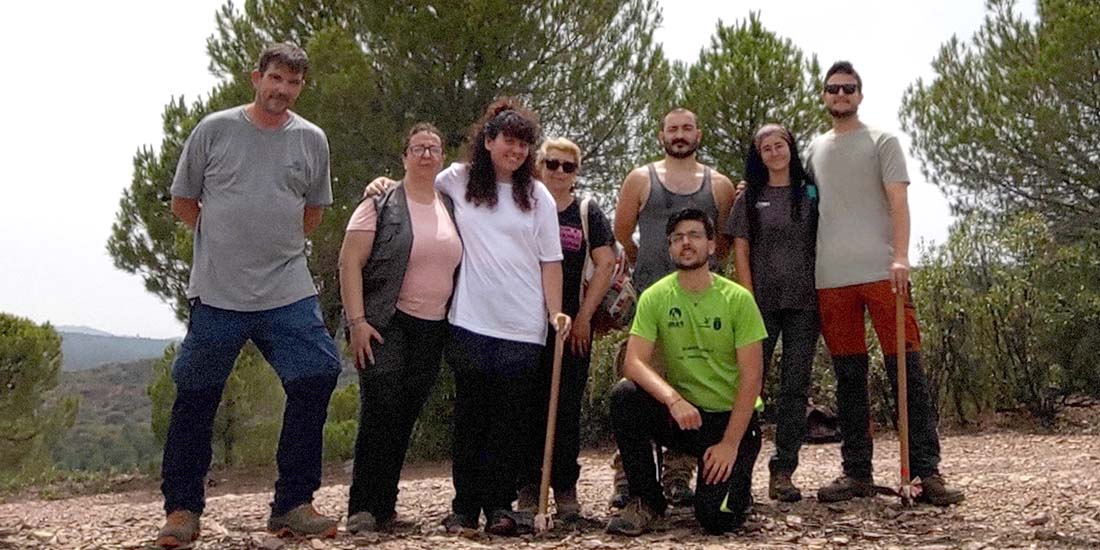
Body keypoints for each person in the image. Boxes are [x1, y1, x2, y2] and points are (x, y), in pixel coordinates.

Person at [156, 43, 342, 548]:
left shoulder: (312, 140)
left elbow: (313, 213)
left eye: (293, 83)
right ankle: (181, 509)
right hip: (218, 291)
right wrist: (223, 244)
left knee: (318, 373)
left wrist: (270, 249)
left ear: (302, 87)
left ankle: (293, 504)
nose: (282, 90)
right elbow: (182, 201)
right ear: (255, 77)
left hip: (286, 287)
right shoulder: (214, 130)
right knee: (196, 394)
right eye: (275, 78)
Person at [363, 98, 568, 535]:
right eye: (508, 142)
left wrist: (555, 313)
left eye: (524, 145)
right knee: (471, 417)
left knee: (509, 421)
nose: (516, 151)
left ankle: (499, 507)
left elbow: (552, 261)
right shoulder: (457, 181)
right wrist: (382, 183)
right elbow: (413, 186)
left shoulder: (538, 196)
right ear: (488, 141)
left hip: (523, 326)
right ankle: (463, 507)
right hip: (469, 322)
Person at [806, 61, 964, 506]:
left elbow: (899, 201)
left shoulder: (883, 141)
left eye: (849, 88)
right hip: (831, 277)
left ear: (860, 94)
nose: (841, 95)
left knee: (906, 371)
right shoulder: (814, 149)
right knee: (849, 378)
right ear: (824, 96)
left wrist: (900, 256)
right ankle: (856, 472)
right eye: (833, 89)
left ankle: (925, 473)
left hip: (882, 273)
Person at [606, 208, 766, 536]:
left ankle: (735, 483)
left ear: (711, 245)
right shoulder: (655, 297)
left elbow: (752, 377)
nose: (686, 243)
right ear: (669, 248)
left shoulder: (738, 299)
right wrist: (673, 399)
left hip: (729, 423)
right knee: (625, 395)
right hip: (685, 415)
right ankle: (646, 499)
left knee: (715, 520)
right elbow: (633, 362)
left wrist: (730, 444)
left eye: (694, 235)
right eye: (677, 238)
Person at [608, 107, 738, 507]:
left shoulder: (719, 185)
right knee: (635, 389)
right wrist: (650, 270)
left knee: (690, 386)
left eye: (686, 128)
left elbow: (726, 243)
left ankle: (679, 474)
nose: (679, 135)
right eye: (672, 129)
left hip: (700, 308)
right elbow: (622, 236)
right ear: (661, 135)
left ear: (699, 134)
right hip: (651, 303)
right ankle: (629, 475)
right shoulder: (639, 180)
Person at [338, 123, 462, 534]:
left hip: (433, 327)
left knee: (405, 415)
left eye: (433, 148)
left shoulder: (451, 204)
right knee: (381, 408)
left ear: (442, 157)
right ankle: (362, 507)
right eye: (418, 148)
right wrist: (357, 322)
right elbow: (349, 262)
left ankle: (385, 507)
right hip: (384, 323)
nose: (426, 155)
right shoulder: (379, 202)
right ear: (404, 156)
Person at [515, 138, 616, 522]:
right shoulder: (522, 203)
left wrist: (585, 317)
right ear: (539, 165)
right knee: (527, 407)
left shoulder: (585, 211)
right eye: (552, 164)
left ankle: (565, 488)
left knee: (567, 408)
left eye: (567, 167)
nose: (559, 172)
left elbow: (605, 263)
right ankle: (527, 487)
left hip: (572, 324)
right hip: (524, 322)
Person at [724, 123, 819, 503]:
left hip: (805, 303)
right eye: (767, 148)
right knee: (749, 388)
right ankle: (738, 472)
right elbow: (740, 249)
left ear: (791, 149)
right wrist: (746, 298)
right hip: (759, 306)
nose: (775, 153)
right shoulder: (749, 197)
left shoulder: (811, 192)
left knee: (795, 387)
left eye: (780, 146)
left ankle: (783, 471)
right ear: (758, 155)